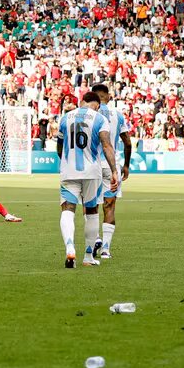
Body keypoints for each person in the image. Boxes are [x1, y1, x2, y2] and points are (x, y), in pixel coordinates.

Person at [58, 90, 118, 268]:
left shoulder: (65, 118)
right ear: (97, 105)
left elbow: (59, 147)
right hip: (92, 171)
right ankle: (88, 256)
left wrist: (65, 163)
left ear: (82, 101)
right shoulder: (100, 119)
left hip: (69, 171)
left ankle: (70, 246)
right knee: (91, 211)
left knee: (68, 210)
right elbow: (106, 145)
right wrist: (114, 170)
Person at [91, 84, 131, 259]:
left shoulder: (89, 115)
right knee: (110, 206)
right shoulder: (118, 115)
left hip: (91, 165)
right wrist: (126, 165)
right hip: (110, 166)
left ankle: (96, 238)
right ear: (108, 96)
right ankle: (106, 249)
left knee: (90, 206)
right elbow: (128, 142)